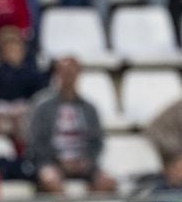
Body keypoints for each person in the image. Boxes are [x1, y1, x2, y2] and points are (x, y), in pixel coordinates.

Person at [25, 56, 119, 194]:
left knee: (108, 183)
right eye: (64, 72)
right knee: (51, 181)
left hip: (83, 163)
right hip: (51, 162)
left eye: (72, 72)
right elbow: (36, 142)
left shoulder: (89, 108)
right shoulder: (43, 107)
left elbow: (97, 141)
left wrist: (86, 160)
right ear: (57, 74)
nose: (68, 77)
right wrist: (58, 160)